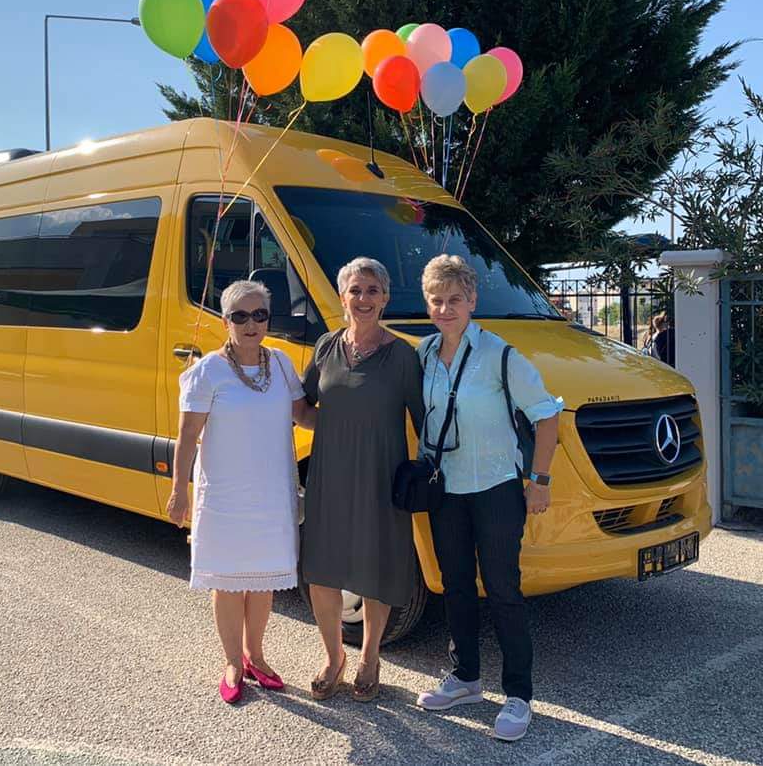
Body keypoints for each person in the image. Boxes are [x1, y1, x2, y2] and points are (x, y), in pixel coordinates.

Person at [414, 255, 562, 742]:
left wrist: (539, 480)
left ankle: (519, 695)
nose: (445, 309)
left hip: (496, 487)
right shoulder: (424, 354)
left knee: (502, 590)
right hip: (447, 489)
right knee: (455, 586)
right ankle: (465, 679)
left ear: (472, 300)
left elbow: (547, 416)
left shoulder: (500, 355)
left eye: (454, 299)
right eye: (437, 300)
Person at [167, 280, 316, 704]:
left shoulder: (281, 364)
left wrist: (354, 417)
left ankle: (256, 656)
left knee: (263, 580)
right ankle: (233, 661)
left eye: (260, 315)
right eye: (240, 316)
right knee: (229, 582)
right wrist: (179, 491)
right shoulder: (207, 371)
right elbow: (187, 437)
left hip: (271, 492)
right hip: (225, 496)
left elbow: (304, 415)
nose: (251, 324)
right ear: (226, 320)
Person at [301, 257, 424, 703]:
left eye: (373, 290)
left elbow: (425, 421)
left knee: (377, 567)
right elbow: (304, 407)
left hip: (381, 475)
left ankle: (369, 658)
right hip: (329, 474)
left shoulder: (403, 355)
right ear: (342, 296)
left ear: (385, 297)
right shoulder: (325, 347)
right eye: (355, 290)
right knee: (323, 568)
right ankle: (333, 657)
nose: (364, 298)